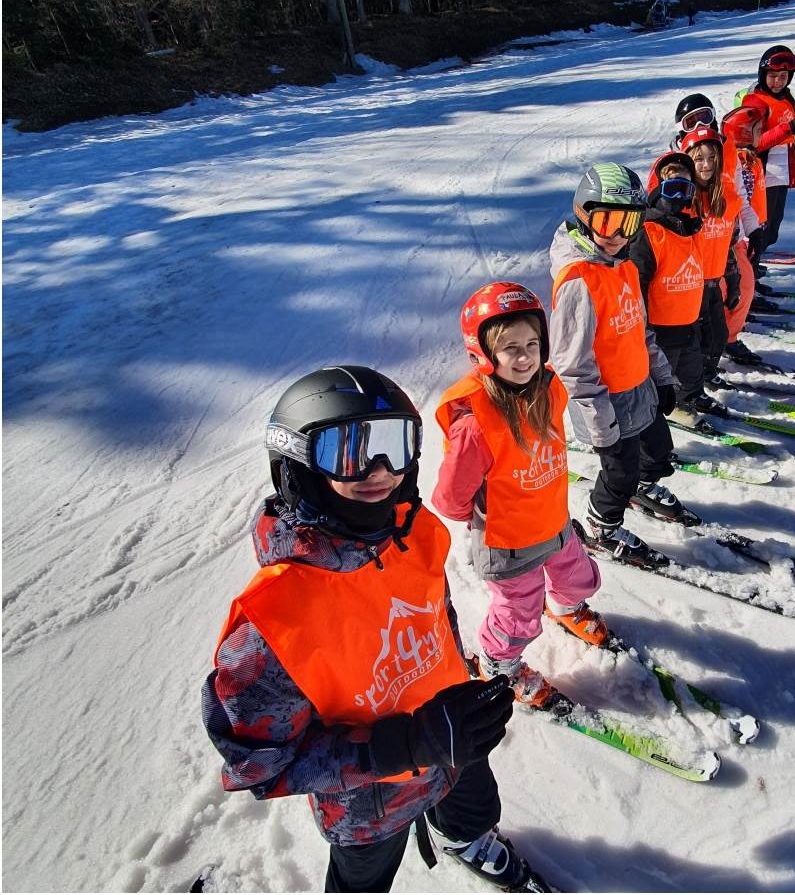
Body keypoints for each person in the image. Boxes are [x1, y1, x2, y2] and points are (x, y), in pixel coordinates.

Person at [201, 366, 550, 893]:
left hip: (456, 744)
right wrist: (402, 747)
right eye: (348, 451)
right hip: (369, 800)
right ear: (297, 467)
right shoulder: (272, 622)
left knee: (475, 807)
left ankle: (466, 839)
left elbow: (438, 622)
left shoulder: (418, 535)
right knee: (363, 877)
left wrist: (461, 692)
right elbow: (259, 765)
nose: (379, 469)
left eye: (394, 443)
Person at [432, 282, 607, 709]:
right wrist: (482, 513)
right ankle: (497, 664)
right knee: (518, 616)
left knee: (579, 578)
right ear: (484, 353)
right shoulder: (475, 425)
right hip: (509, 543)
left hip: (554, 522)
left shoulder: (548, 389)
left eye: (532, 343)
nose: (525, 356)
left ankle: (564, 610)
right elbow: (450, 497)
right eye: (510, 348)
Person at [548, 162, 693, 565]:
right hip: (607, 405)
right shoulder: (579, 280)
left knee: (660, 454)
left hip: (640, 389)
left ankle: (640, 488)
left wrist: (662, 378)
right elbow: (572, 365)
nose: (617, 235)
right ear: (583, 215)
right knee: (618, 473)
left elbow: (640, 330)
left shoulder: (624, 264)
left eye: (629, 224)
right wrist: (601, 425)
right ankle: (601, 523)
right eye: (608, 221)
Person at [628, 152, 707, 409]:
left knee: (692, 373)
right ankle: (653, 414)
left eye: (685, 190)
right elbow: (638, 284)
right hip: (660, 331)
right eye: (672, 189)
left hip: (689, 325)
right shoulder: (648, 232)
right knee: (660, 380)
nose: (679, 198)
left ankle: (689, 398)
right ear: (656, 189)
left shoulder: (688, 228)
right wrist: (641, 329)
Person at [738, 46, 795, 265]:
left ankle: (754, 264)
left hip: (781, 168)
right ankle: (749, 273)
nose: (778, 82)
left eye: (783, 77)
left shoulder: (785, 97)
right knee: (759, 227)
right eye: (773, 76)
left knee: (773, 227)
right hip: (762, 170)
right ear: (763, 74)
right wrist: (792, 126)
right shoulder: (754, 101)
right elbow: (753, 144)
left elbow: (785, 130)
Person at [679, 125, 742, 370]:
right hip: (689, 286)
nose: (706, 165)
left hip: (715, 282)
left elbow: (728, 244)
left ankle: (708, 373)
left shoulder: (725, 198)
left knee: (718, 336)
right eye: (699, 159)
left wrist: (733, 277)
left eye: (712, 158)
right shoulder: (684, 201)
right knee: (697, 341)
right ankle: (692, 386)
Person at [718, 105, 771, 363]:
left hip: (733, 238)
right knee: (715, 295)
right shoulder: (692, 157)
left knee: (746, 286)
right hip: (710, 243)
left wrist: (754, 229)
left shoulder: (734, 158)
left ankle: (729, 338)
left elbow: (742, 200)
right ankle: (705, 353)